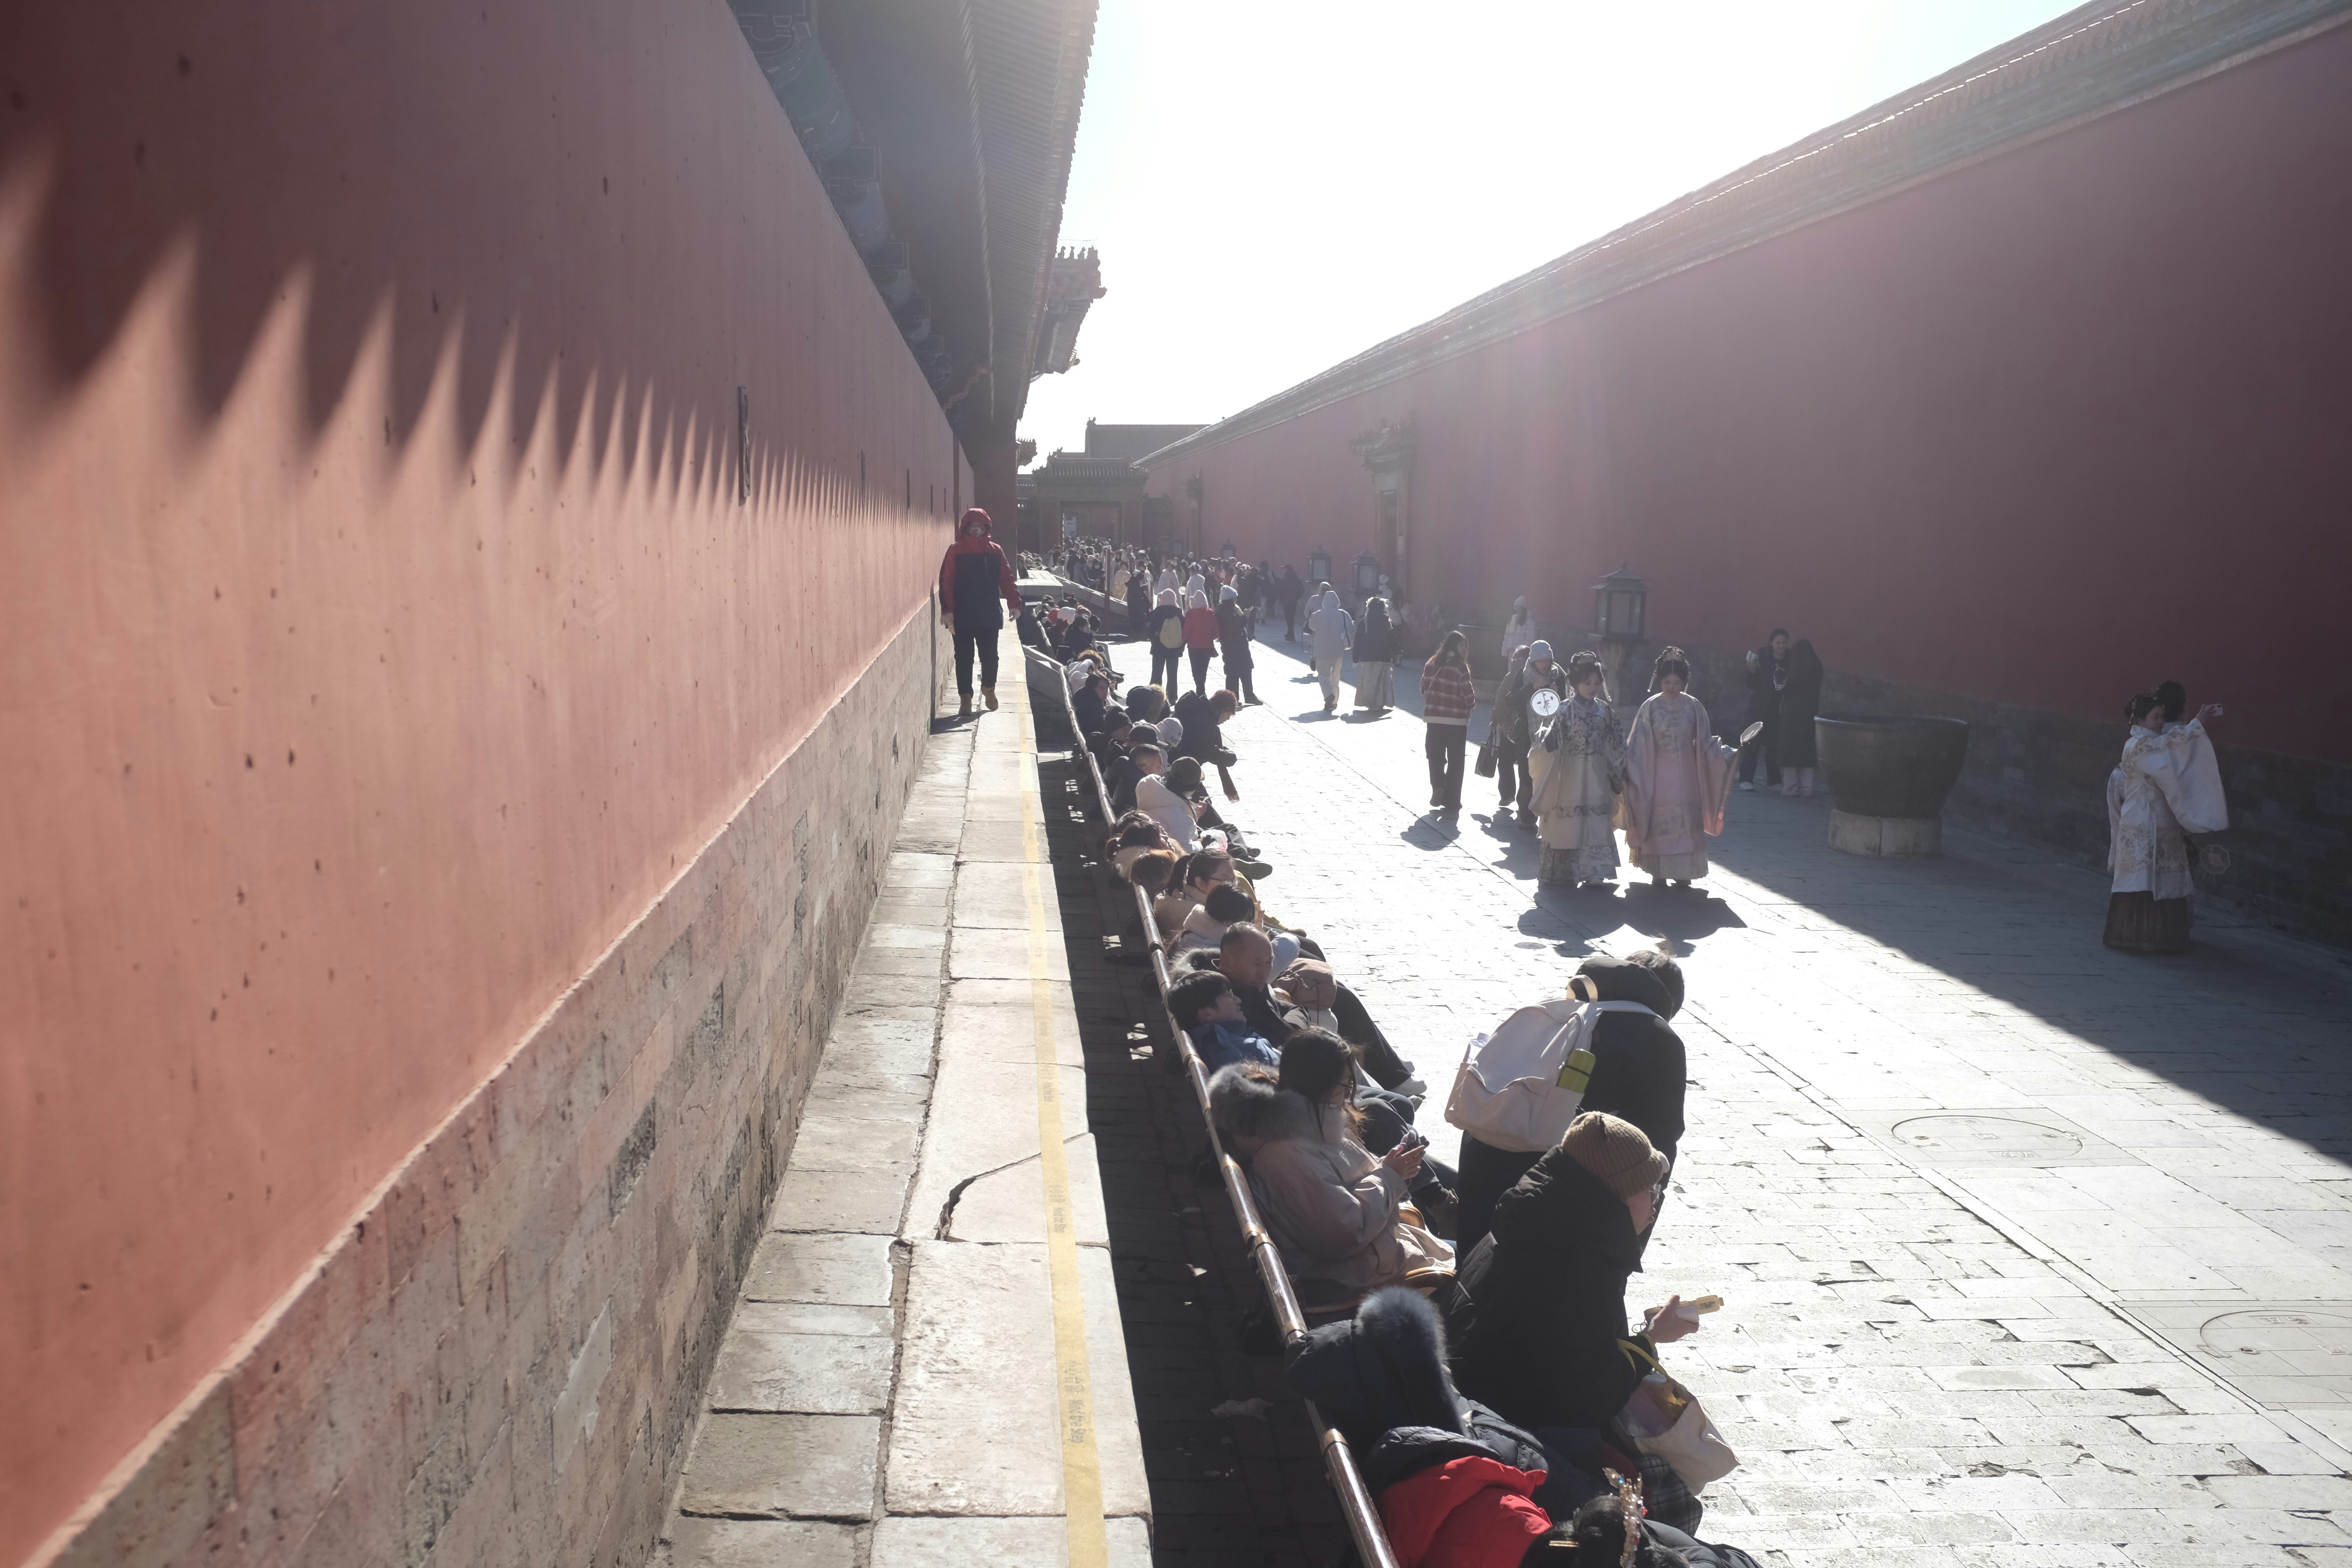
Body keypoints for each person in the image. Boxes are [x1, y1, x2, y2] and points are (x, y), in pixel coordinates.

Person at [1446, 1113, 1698, 1438]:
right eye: (1650, 1189)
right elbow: (1594, 1398)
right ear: (1617, 1194)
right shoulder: (1576, 1268)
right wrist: (1651, 1340)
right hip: (1513, 1431)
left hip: (1480, 1401)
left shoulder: (1534, 1220)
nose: (1657, 1201)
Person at [1452, 951, 1688, 1256]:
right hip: (1565, 1182)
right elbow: (1659, 1140)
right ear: (1669, 1001)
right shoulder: (1658, 1038)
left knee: (1478, 1261)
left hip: (1486, 1155)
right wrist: (1632, 1243)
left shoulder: (1554, 1011)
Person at [1208, 1032, 1454, 1295]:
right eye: (1347, 1084)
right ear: (1321, 1084)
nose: (1350, 1094)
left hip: (1378, 1250)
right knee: (1474, 1264)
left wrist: (1390, 1167)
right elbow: (1345, 1233)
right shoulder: (1288, 1152)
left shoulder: (1305, 1124)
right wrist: (1390, 1175)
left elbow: (1342, 1187)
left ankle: (1452, 1210)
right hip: (1357, 1273)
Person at [2106, 691, 2225, 953]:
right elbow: (2168, 751)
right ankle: (2138, 936)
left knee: (2165, 876)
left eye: (2162, 716)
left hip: (2162, 819)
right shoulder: (2137, 746)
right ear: (2140, 720)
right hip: (2142, 818)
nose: (2161, 722)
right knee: (2142, 879)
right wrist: (2195, 725)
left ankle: (2164, 937)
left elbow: (2169, 750)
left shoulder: (2153, 743)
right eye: (2155, 717)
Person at [1621, 648, 1737, 890]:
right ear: (1659, 681)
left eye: (1677, 683)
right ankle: (1658, 870)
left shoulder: (1694, 706)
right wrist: (1625, 764)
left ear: (1685, 682)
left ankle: (1684, 872)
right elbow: (1637, 744)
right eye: (1667, 682)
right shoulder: (1650, 707)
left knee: (1686, 821)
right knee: (1659, 819)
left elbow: (1705, 741)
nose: (1672, 687)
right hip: (1657, 773)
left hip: (1687, 772)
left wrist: (1724, 754)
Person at [1526, 651, 1626, 890]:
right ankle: (1565, 870)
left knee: (1595, 819)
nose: (1592, 688)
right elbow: (1548, 743)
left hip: (1597, 777)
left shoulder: (1605, 712)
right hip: (1569, 777)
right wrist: (1548, 740)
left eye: (1597, 683)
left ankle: (1595, 871)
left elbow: (1618, 743)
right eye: (1587, 683)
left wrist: (1616, 771)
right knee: (1568, 821)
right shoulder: (1563, 710)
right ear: (1575, 684)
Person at [937, 507, 1021, 718]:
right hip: (962, 614)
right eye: (973, 527)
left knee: (990, 657)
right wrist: (947, 610)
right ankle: (965, 697)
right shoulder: (955, 551)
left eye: (981, 527)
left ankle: (989, 689)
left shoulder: (995, 551)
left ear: (986, 528)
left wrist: (1014, 603)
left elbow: (1007, 577)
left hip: (988, 612)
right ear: (966, 528)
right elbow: (946, 581)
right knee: (964, 658)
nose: (977, 530)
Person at [1496, 642, 1569, 830]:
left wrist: (1557, 692)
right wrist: (1530, 689)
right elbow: (1510, 701)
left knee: (1549, 773)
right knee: (1527, 772)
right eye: (1540, 661)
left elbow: (1568, 701)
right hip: (1527, 732)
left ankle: (1548, 815)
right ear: (1533, 661)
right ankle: (1527, 816)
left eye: (1547, 661)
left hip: (1553, 730)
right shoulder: (1523, 675)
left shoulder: (1559, 675)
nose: (1544, 665)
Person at [1422, 630, 1477, 813]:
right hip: (1456, 721)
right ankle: (1452, 801)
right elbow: (1468, 696)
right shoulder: (1460, 668)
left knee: (1435, 756)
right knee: (1456, 762)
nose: (1465, 649)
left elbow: (1423, 688)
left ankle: (1438, 785)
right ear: (1454, 645)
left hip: (1433, 718)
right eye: (1462, 645)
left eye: (1466, 645)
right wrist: (1471, 706)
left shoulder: (1431, 664)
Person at [1736, 629, 1790, 792]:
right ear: (1771, 643)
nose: (1781, 646)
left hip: (1777, 709)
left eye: (1784, 643)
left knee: (1774, 747)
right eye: (1778, 643)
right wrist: (1752, 671)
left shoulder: (1790, 661)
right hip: (1758, 708)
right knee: (1752, 744)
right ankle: (1746, 779)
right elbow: (1751, 684)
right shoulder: (1762, 659)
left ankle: (1774, 781)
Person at [1775, 637, 1824, 797]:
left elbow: (1781, 688)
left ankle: (1791, 787)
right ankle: (1807, 788)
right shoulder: (1817, 670)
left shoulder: (1796, 672)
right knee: (1807, 751)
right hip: (1810, 715)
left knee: (1790, 750)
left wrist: (1779, 673)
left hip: (1792, 716)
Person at [1486, 646, 1531, 818]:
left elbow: (1501, 702)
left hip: (1509, 729)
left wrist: (1495, 721)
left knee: (1505, 761)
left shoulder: (1511, 676)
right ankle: (1522, 799)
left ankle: (1507, 794)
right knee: (1525, 766)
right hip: (1527, 730)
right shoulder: (1535, 676)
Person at [1308, 588, 1355, 715]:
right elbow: (1351, 629)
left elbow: (1312, 627)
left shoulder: (1318, 614)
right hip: (1338, 650)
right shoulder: (1344, 614)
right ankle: (1334, 701)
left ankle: (1328, 695)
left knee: (1323, 675)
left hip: (1321, 650)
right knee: (1335, 676)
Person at [1355, 597, 1400, 714]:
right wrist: (1397, 652)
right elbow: (1392, 638)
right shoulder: (1386, 620)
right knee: (1380, 681)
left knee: (1369, 681)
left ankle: (1370, 702)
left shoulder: (1364, 620)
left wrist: (1356, 657)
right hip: (1383, 656)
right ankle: (1379, 703)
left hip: (1367, 657)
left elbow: (1358, 640)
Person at [1216, 587, 1261, 704]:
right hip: (1233, 646)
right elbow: (1235, 628)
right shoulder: (1226, 612)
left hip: (1236, 646)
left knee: (1244, 670)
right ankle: (1234, 699)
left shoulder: (1230, 609)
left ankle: (1246, 696)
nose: (1236, 600)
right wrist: (1245, 616)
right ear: (1230, 600)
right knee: (1234, 673)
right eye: (1234, 599)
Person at [1144, 588, 1186, 692]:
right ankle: (1172, 695)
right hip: (1175, 649)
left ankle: (1155, 694)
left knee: (1157, 673)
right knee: (1173, 675)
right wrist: (1181, 645)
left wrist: (1155, 641)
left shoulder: (1157, 613)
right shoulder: (1179, 614)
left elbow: (1151, 631)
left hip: (1159, 648)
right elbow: (1184, 632)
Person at [1182, 588, 1220, 696]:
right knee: (1203, 671)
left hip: (1194, 648)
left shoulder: (1191, 614)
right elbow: (1217, 632)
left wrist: (1184, 640)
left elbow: (1187, 631)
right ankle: (1201, 692)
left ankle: (1201, 691)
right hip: (1207, 647)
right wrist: (1208, 639)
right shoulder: (1211, 614)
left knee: (1196, 671)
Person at [1499, 597, 1533, 670]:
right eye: (1516, 607)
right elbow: (1507, 637)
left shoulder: (1529, 621)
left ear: (1523, 609)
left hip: (1521, 653)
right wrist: (1505, 652)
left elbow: (1530, 638)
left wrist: (1526, 652)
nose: (1517, 609)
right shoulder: (1512, 621)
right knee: (1511, 671)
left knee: (1520, 671)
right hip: (1511, 652)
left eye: (1519, 607)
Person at [1279, 564, 1305, 641]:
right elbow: (1302, 590)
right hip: (1293, 601)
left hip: (1286, 601)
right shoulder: (1297, 580)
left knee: (1288, 618)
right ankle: (1290, 633)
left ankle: (1291, 634)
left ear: (1287, 570)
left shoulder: (1285, 579)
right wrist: (1296, 597)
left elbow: (1281, 591)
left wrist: (1282, 599)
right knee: (1291, 617)